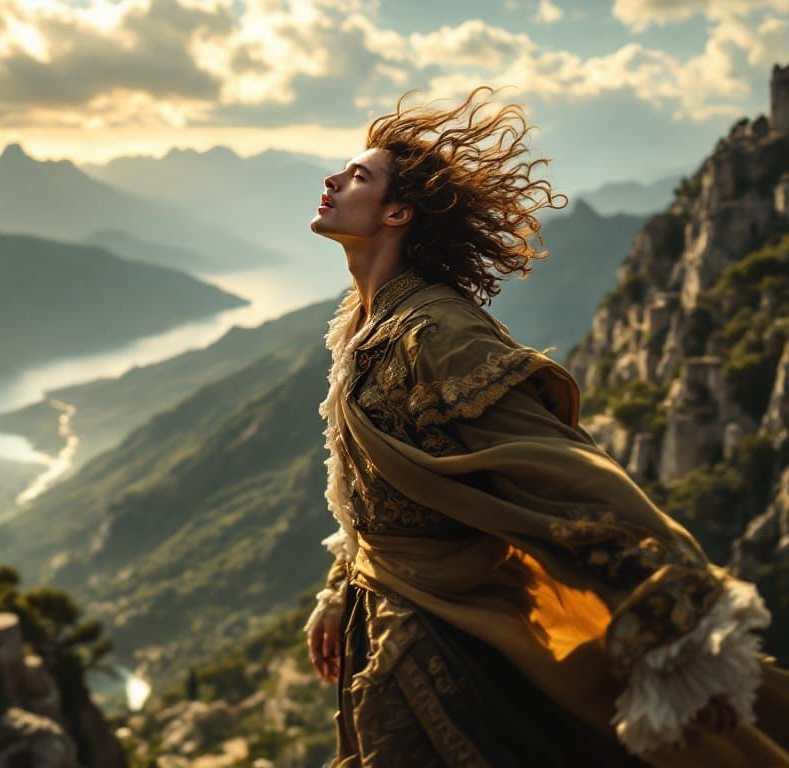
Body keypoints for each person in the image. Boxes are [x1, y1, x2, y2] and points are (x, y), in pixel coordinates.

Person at [304, 85, 789, 767]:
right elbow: (375, 491)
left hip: (449, 646)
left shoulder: (436, 331)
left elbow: (571, 474)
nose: (332, 179)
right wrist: (338, 589)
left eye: (358, 176)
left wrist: (685, 643)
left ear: (397, 213)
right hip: (390, 625)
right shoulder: (371, 326)